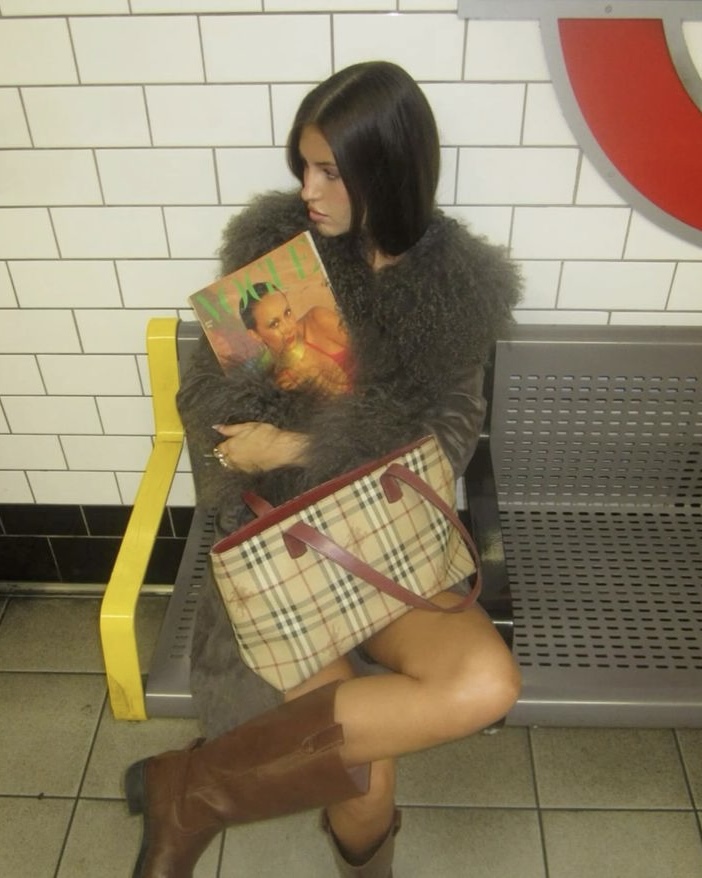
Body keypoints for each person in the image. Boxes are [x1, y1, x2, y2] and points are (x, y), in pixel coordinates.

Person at [124, 60, 522, 878]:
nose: (308, 189)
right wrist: (246, 443)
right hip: (281, 543)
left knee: (487, 683)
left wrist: (303, 445)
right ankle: (206, 796)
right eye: (302, 166)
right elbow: (207, 401)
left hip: (390, 538)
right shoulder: (277, 252)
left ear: (388, 169)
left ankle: (194, 787)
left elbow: (449, 437)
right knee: (364, 776)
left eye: (330, 171)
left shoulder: (457, 289)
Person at [240, 281, 352, 394]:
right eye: (274, 324)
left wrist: (314, 376)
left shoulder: (317, 320)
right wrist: (315, 379)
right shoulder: (281, 383)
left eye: (287, 313)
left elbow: (363, 341)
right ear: (255, 335)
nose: (288, 327)